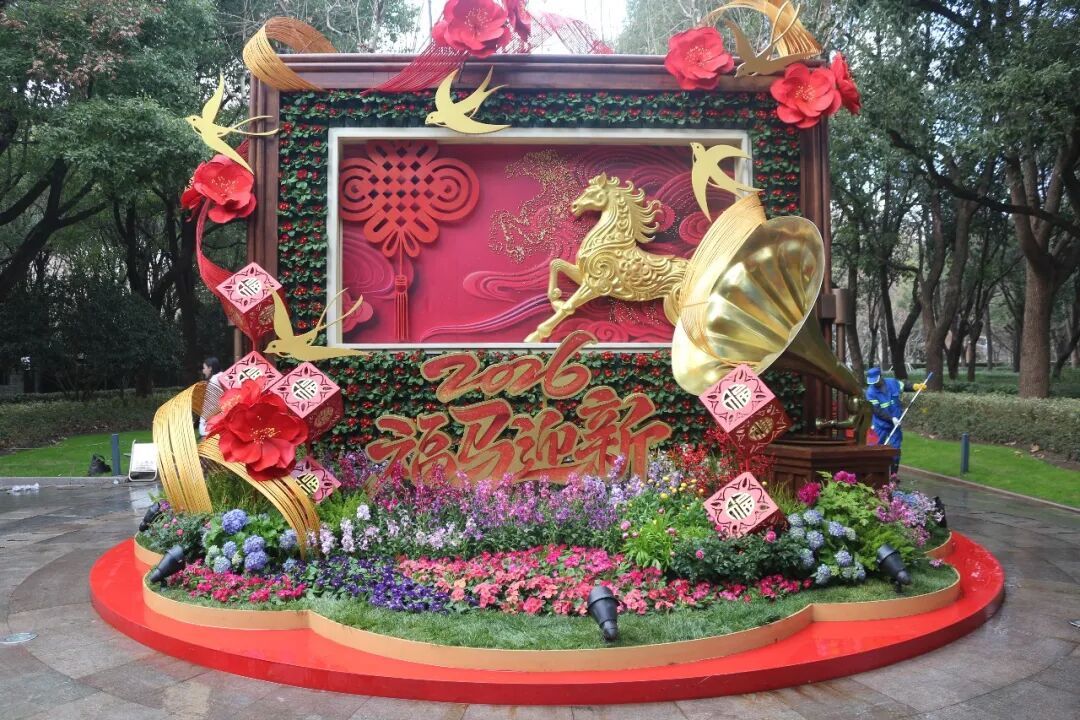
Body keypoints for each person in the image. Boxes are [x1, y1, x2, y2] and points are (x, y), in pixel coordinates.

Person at [865, 367, 928, 473]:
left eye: (875, 381)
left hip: (895, 424)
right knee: (873, 449)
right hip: (880, 425)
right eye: (872, 382)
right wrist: (891, 418)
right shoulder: (870, 392)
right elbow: (877, 411)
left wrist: (915, 386)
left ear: (880, 377)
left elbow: (904, 386)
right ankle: (872, 474)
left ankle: (893, 476)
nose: (874, 384)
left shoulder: (892, 383)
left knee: (895, 450)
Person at [199, 357, 224, 437]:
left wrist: (203, 421)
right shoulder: (223, 377)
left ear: (210, 368)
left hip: (213, 421)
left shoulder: (214, 381)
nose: (203, 371)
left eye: (204, 368)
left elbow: (211, 404)